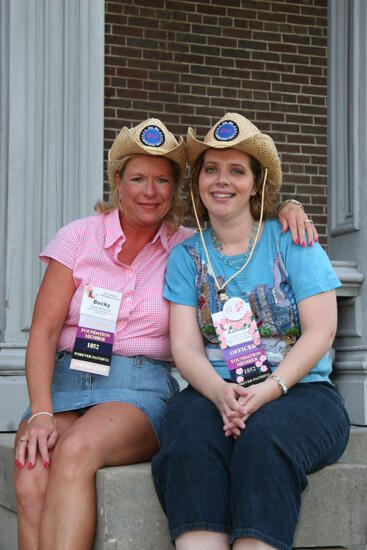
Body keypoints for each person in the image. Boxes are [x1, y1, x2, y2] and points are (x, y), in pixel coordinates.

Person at [13, 116, 313, 550]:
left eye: (161, 180)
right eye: (137, 178)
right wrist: (40, 411)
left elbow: (245, 228)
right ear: (117, 181)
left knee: (75, 449)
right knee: (31, 469)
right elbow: (42, 333)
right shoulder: (77, 238)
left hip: (138, 388)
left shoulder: (188, 247)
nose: (149, 192)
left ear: (174, 188)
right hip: (64, 381)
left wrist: (287, 209)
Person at [152, 113, 350, 550]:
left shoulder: (290, 238)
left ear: (256, 184)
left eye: (237, 171)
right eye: (211, 169)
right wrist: (222, 393)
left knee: (264, 442)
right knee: (186, 440)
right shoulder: (187, 256)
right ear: (199, 180)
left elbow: (321, 331)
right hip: (213, 389)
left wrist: (270, 390)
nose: (222, 181)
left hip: (302, 390)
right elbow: (184, 345)